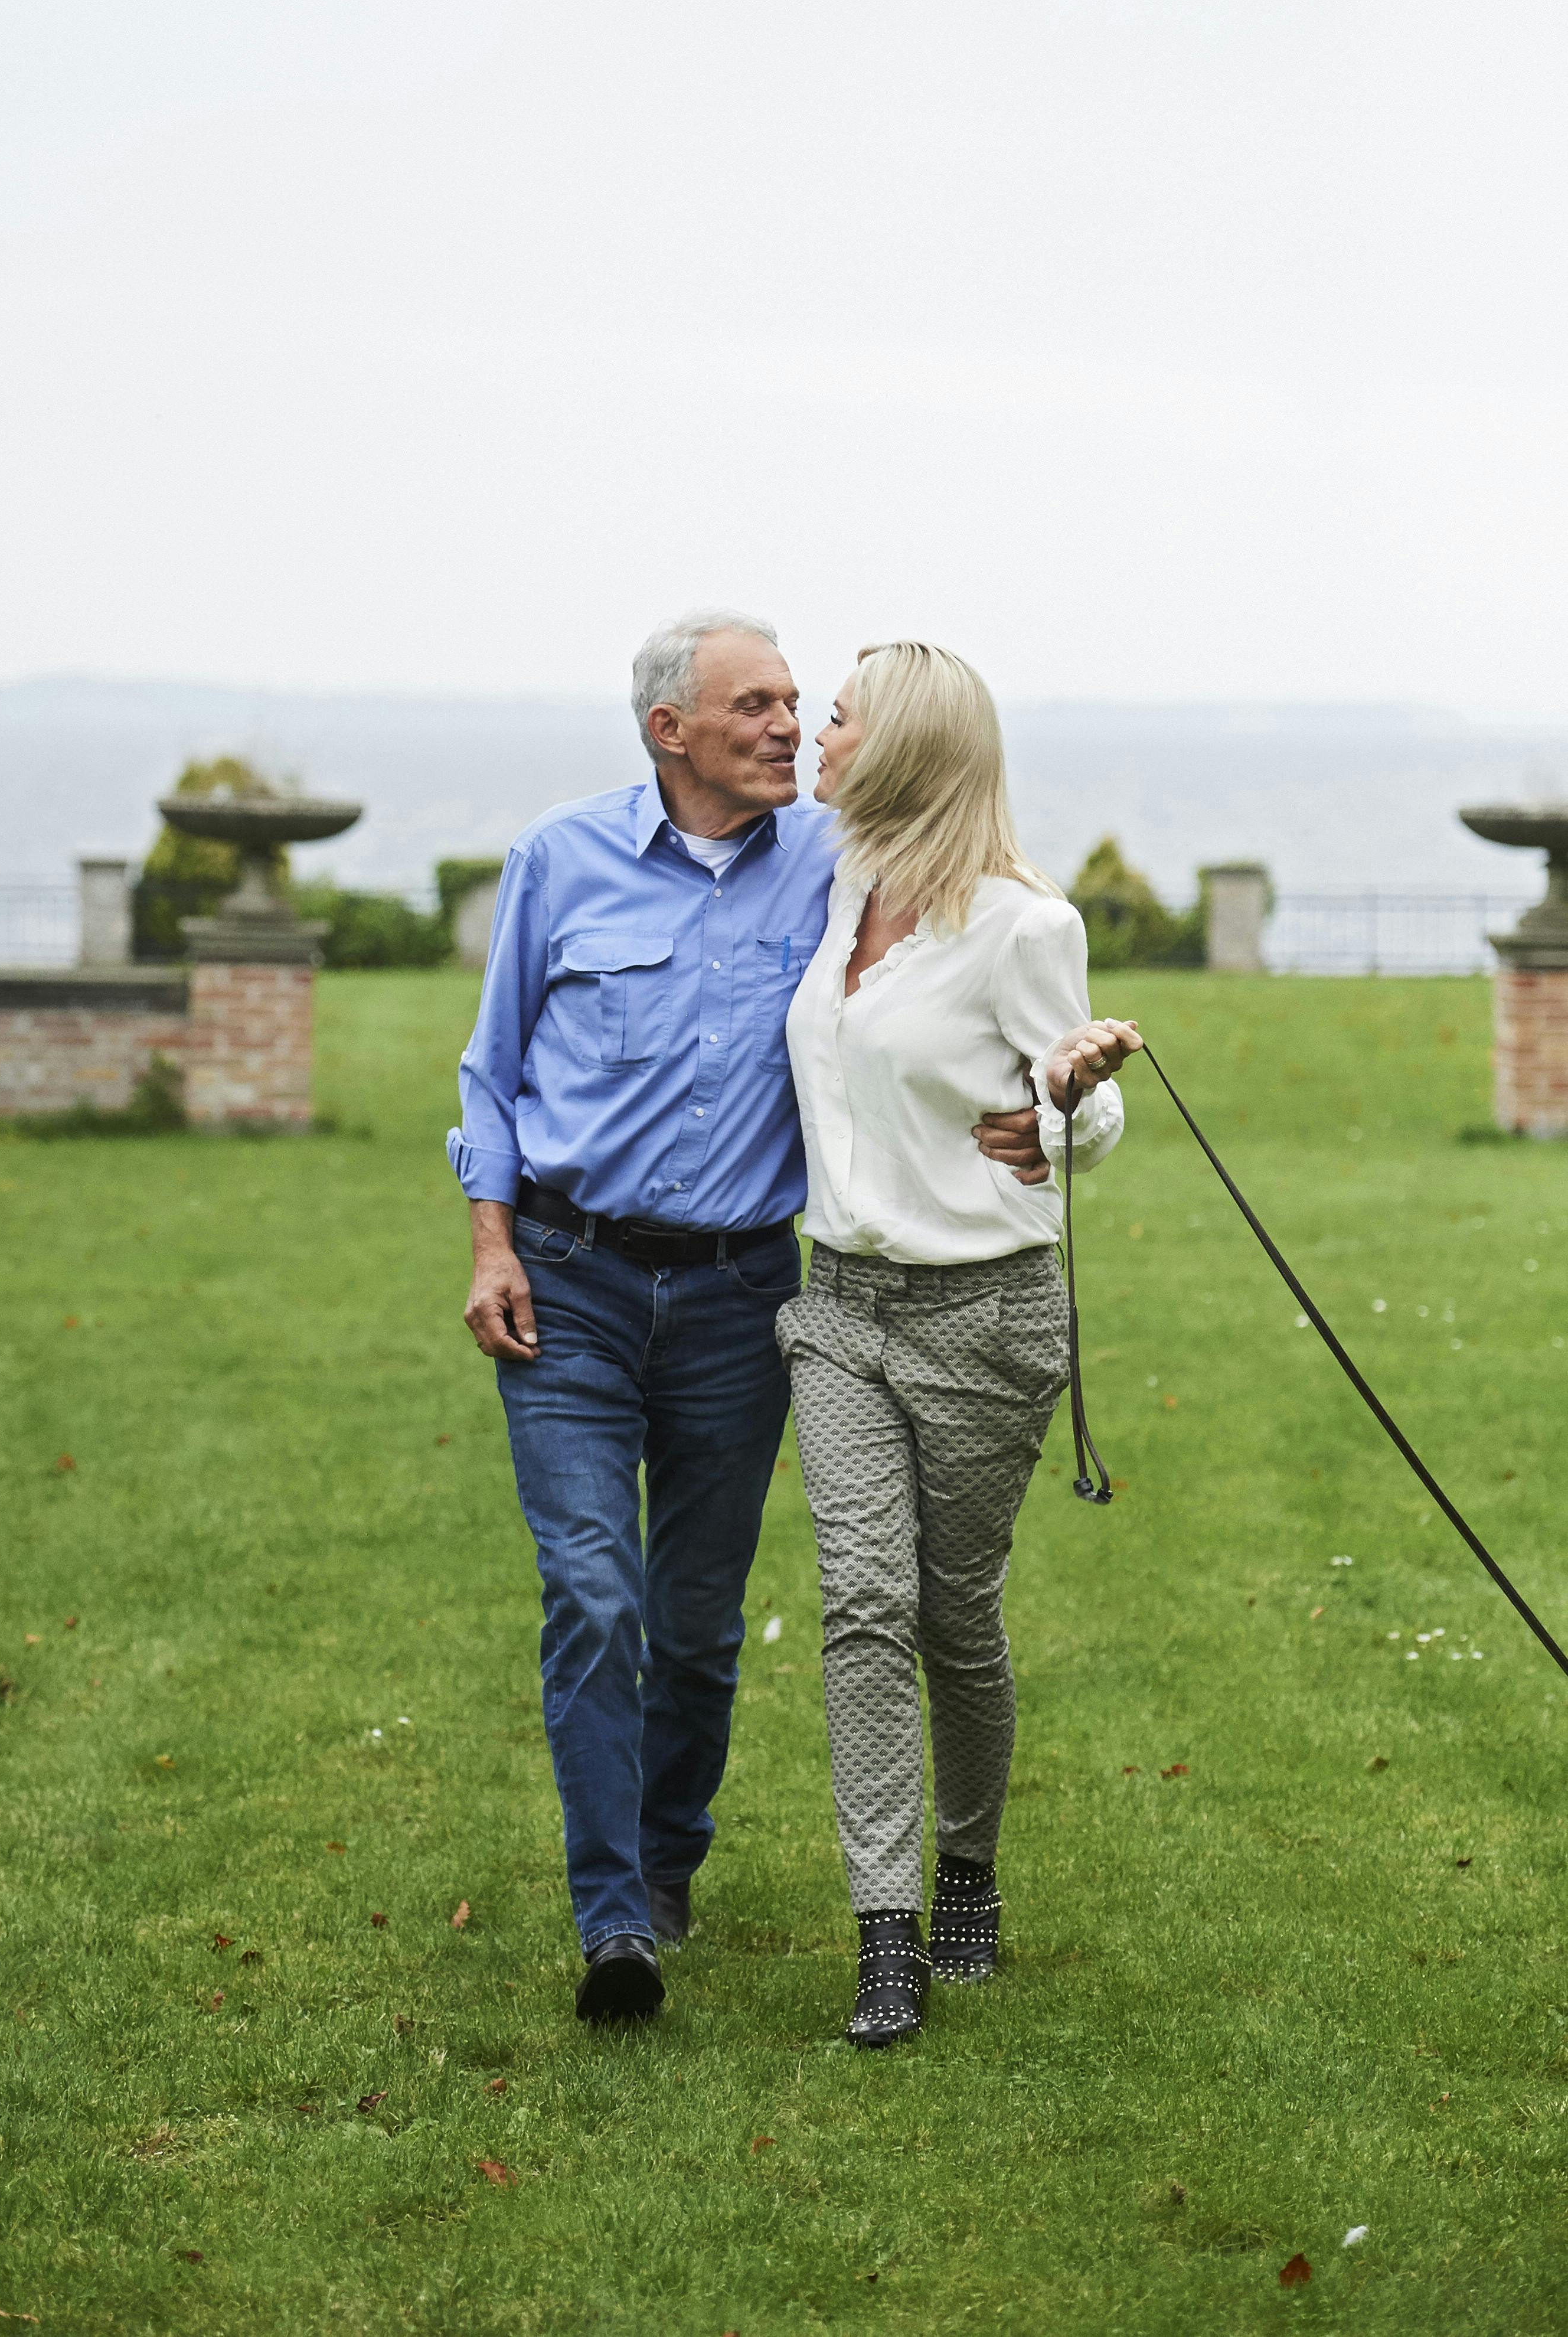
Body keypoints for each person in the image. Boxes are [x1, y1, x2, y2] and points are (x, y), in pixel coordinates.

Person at [448, 609, 1051, 2025]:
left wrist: (1063, 1106)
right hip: (570, 1278)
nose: (789, 725)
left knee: (702, 1620)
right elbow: (488, 1069)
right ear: (669, 729)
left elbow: (988, 935)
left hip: (742, 1296)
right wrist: (490, 1239)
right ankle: (617, 1922)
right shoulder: (559, 859)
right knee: (594, 1593)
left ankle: (670, 1860)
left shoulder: (840, 869)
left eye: (799, 704)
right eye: (756, 706)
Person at [777, 640, 1141, 2046]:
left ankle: (968, 1867)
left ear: (909, 747)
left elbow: (1083, 1112)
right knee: (862, 1601)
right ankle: (885, 1933)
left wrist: (1060, 1106)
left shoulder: (1020, 926)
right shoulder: (841, 885)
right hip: (839, 1307)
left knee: (950, 1613)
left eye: (843, 713)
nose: (820, 727)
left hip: (984, 1313)